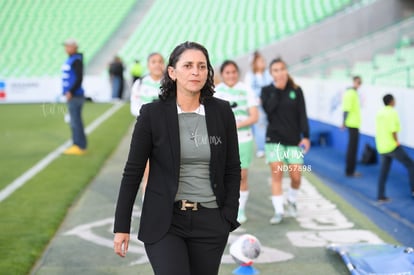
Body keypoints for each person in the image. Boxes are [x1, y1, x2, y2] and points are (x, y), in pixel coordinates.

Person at [113, 41, 241, 275]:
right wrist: (122, 226)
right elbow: (132, 172)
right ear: (172, 72)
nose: (196, 72)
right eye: (188, 65)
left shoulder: (222, 112)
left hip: (212, 223)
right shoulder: (152, 115)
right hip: (165, 222)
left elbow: (232, 168)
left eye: (202, 66)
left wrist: (228, 216)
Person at [261, 57, 310, 224]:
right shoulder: (267, 91)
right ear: (271, 73)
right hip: (274, 139)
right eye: (275, 70)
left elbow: (302, 115)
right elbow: (269, 110)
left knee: (296, 177)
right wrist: (277, 90)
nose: (279, 73)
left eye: (282, 69)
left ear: (286, 70)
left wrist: (307, 137)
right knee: (277, 174)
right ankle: (279, 211)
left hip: (293, 141)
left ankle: (292, 200)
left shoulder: (297, 90)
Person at [215, 60, 258, 224]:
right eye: (227, 72)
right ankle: (224, 207)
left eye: (234, 72)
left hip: (244, 139)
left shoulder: (246, 90)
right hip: (222, 141)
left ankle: (240, 209)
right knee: (222, 175)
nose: (231, 75)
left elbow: (255, 116)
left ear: (237, 73)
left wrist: (236, 124)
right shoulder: (216, 92)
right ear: (222, 74)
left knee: (241, 176)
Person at [130, 52, 165, 199]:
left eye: (160, 61)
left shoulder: (171, 83)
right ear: (148, 65)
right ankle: (148, 208)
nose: (157, 64)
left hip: (166, 132)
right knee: (148, 173)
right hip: (146, 131)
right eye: (153, 61)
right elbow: (134, 107)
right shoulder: (140, 83)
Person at [375, 94, 414, 202]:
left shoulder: (380, 113)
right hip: (392, 146)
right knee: (411, 165)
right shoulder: (392, 112)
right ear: (391, 101)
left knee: (383, 172)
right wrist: (396, 142)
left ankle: (380, 195)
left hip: (381, 146)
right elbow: (393, 130)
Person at [244, 51, 272, 158]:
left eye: (263, 61)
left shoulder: (268, 74)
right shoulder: (249, 76)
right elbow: (248, 90)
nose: (263, 63)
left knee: (269, 125)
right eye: (260, 61)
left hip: (269, 104)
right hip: (257, 105)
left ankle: (271, 146)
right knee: (260, 126)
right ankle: (261, 148)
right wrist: (256, 99)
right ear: (254, 63)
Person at [61, 38, 87, 155]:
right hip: (73, 95)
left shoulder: (76, 60)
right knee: (75, 121)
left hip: (75, 96)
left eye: (68, 46)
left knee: (75, 121)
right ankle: (80, 145)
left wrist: (70, 91)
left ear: (74, 47)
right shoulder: (72, 59)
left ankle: (78, 145)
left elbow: (79, 78)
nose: (66, 49)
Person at [342, 76, 362, 177]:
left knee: (352, 148)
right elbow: (346, 109)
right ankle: (350, 171)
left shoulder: (352, 93)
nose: (359, 84)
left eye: (360, 82)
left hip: (353, 124)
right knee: (352, 149)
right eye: (358, 82)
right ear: (354, 82)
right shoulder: (351, 93)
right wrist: (344, 122)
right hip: (352, 124)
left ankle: (350, 170)